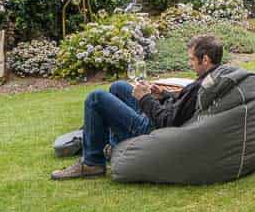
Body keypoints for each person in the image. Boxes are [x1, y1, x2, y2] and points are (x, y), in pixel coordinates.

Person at [50, 34, 223, 180]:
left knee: (96, 98)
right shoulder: (211, 79)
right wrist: (163, 94)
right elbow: (183, 103)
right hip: (160, 113)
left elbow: (166, 121)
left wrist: (145, 98)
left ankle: (92, 163)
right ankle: (114, 145)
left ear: (205, 60)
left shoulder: (200, 87)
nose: (189, 63)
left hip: (153, 128)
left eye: (192, 59)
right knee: (119, 87)